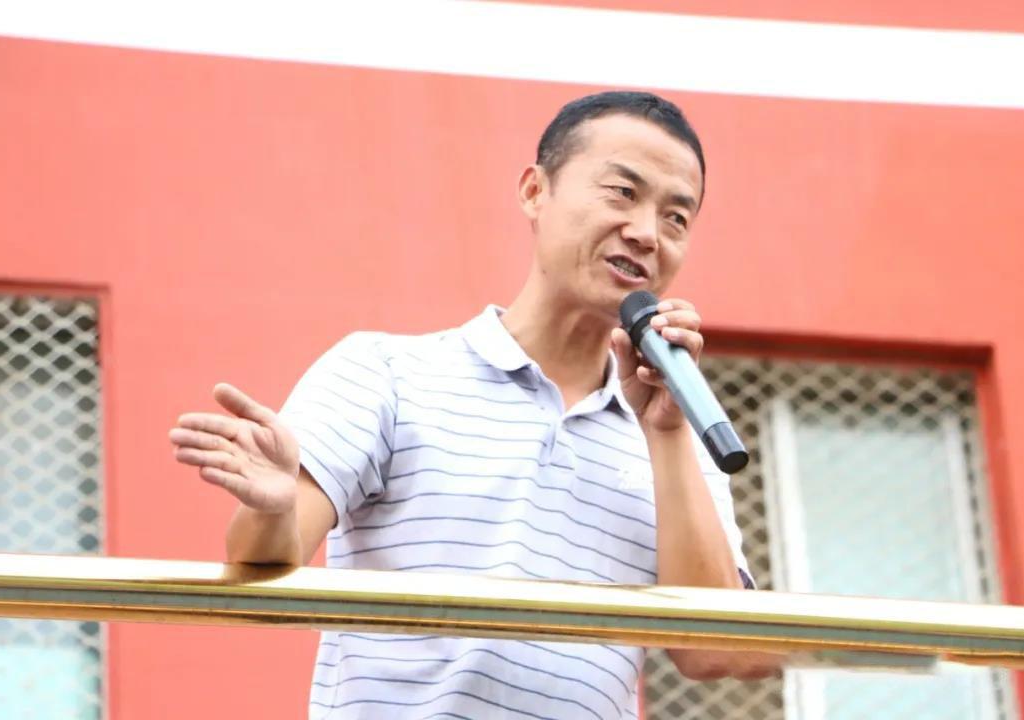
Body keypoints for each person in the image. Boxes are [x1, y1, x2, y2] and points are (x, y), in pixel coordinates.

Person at [169, 91, 777, 720]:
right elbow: (267, 560)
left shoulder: (681, 432)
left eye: (676, 218)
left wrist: (667, 434)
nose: (647, 233)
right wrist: (270, 509)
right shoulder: (385, 372)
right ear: (535, 192)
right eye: (622, 192)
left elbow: (715, 652)